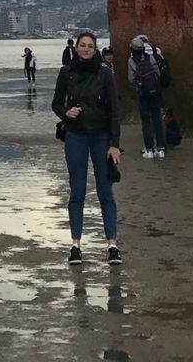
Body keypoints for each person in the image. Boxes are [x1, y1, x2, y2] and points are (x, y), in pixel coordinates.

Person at [51, 30, 122, 266]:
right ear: (76, 48)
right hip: (76, 136)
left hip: (101, 136)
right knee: (77, 191)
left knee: (105, 191)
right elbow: (56, 102)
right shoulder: (66, 73)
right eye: (82, 45)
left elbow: (114, 110)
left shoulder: (105, 74)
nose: (86, 49)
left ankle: (112, 245)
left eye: (90, 46)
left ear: (95, 49)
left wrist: (115, 145)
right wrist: (65, 112)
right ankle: (75, 245)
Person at [127, 34, 170, 159]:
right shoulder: (150, 56)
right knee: (157, 119)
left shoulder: (131, 60)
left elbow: (130, 79)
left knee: (146, 122)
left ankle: (149, 150)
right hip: (156, 92)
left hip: (143, 93)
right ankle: (161, 149)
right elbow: (157, 73)